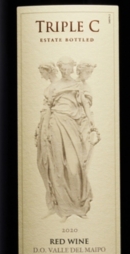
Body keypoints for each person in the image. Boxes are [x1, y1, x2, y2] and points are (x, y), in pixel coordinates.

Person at [35, 56, 93, 220]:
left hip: (71, 125)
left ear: (73, 68)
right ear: (59, 69)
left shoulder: (78, 85)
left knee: (74, 166)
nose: (65, 71)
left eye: (68, 68)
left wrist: (92, 124)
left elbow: (85, 105)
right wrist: (42, 129)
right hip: (55, 124)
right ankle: (61, 207)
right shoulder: (53, 86)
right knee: (57, 165)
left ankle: (77, 206)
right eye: (62, 69)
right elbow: (47, 108)